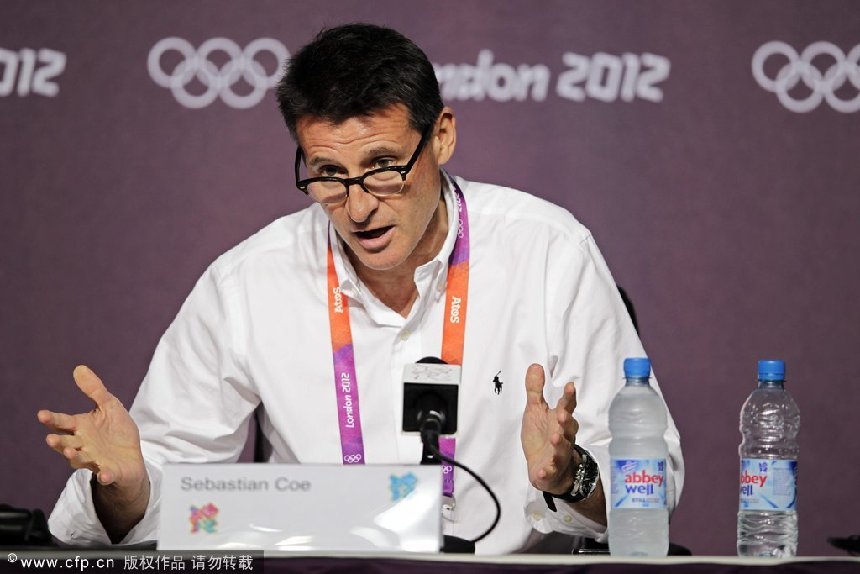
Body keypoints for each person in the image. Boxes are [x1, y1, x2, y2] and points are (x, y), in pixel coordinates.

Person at [37, 23, 683, 554]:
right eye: (327, 174)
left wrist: (573, 477)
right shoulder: (248, 284)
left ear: (443, 137)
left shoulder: (550, 254)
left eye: (382, 168)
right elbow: (158, 489)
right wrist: (125, 485)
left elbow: (651, 492)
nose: (357, 206)